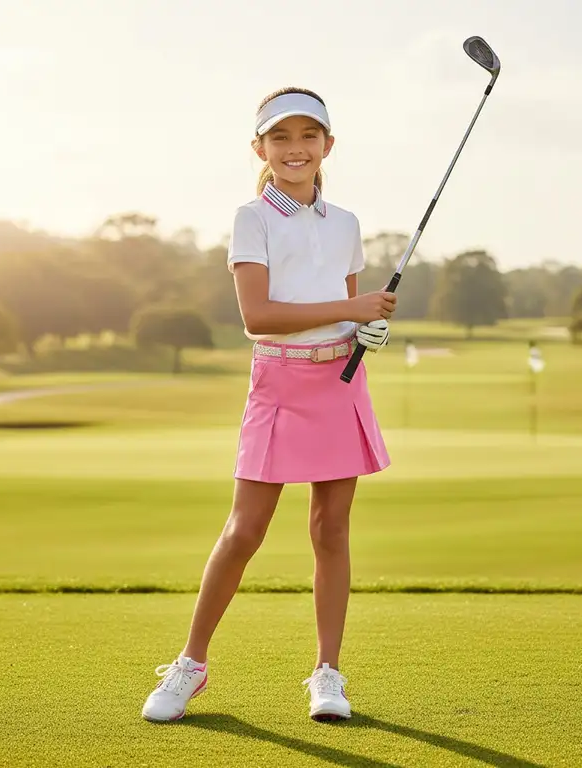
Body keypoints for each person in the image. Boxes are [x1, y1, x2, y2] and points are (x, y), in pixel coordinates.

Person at [142, 87, 396, 724]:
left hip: (339, 381)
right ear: (260, 148)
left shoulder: (346, 224)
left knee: (330, 531)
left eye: (309, 136)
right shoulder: (249, 218)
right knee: (244, 530)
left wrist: (365, 329)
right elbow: (259, 315)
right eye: (281, 138)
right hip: (279, 384)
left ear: (327, 147)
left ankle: (327, 673)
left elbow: (347, 304)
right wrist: (352, 310)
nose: (295, 149)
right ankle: (191, 665)